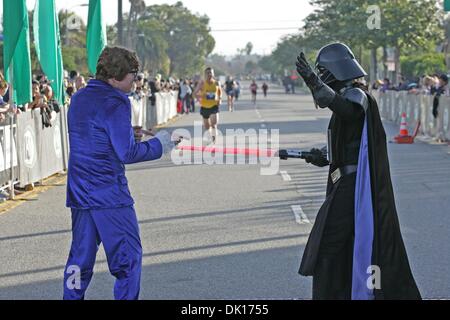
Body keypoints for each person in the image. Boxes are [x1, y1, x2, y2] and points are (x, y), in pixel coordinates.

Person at [295, 42, 421, 300]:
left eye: (322, 73)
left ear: (334, 69)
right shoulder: (346, 96)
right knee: (338, 245)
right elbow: (349, 143)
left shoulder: (357, 95)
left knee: (328, 243)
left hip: (354, 186)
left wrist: (313, 82)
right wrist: (321, 155)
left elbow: (348, 112)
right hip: (345, 182)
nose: (320, 78)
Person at [63, 46, 180, 300]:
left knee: (79, 260)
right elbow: (127, 153)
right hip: (109, 194)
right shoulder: (117, 101)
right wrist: (162, 144)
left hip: (80, 189)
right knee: (128, 260)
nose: (136, 81)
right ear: (115, 77)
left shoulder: (80, 97)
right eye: (133, 76)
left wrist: (127, 133)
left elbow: (94, 135)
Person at [194, 67, 222, 144]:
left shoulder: (216, 83)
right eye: (207, 73)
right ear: (205, 74)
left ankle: (214, 141)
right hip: (204, 107)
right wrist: (201, 97)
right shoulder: (202, 83)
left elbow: (220, 92)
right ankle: (210, 136)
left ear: (213, 74)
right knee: (207, 127)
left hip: (214, 106)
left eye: (211, 73)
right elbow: (195, 93)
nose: (209, 74)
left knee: (214, 125)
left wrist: (220, 99)